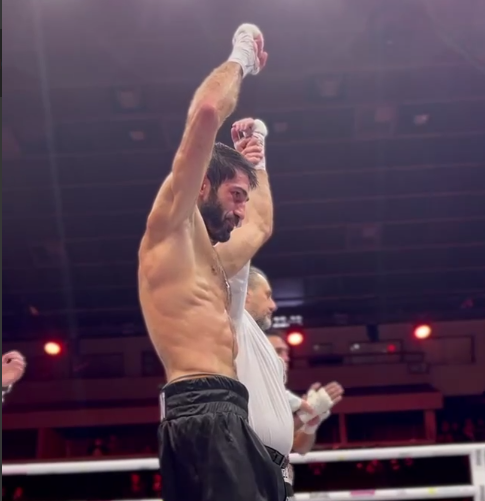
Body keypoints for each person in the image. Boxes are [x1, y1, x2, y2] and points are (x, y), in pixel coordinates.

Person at [138, 23, 284, 501]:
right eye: (235, 195)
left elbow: (261, 228)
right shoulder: (171, 227)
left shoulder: (214, 262)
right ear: (203, 185)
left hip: (226, 409)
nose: (241, 210)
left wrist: (257, 162)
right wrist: (242, 58)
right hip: (201, 410)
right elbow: (205, 112)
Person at [219, 118, 302, 488]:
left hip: (270, 473)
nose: (274, 306)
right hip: (245, 469)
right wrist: (253, 166)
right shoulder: (229, 310)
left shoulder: (257, 340)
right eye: (267, 295)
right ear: (246, 291)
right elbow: (253, 227)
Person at [265, 330, 344, 496]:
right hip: (256, 481)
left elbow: (301, 447)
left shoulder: (282, 393)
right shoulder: (250, 388)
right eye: (279, 351)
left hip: (280, 482)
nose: (286, 357)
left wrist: (311, 424)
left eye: (286, 352)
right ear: (260, 352)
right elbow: (264, 436)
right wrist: (307, 413)